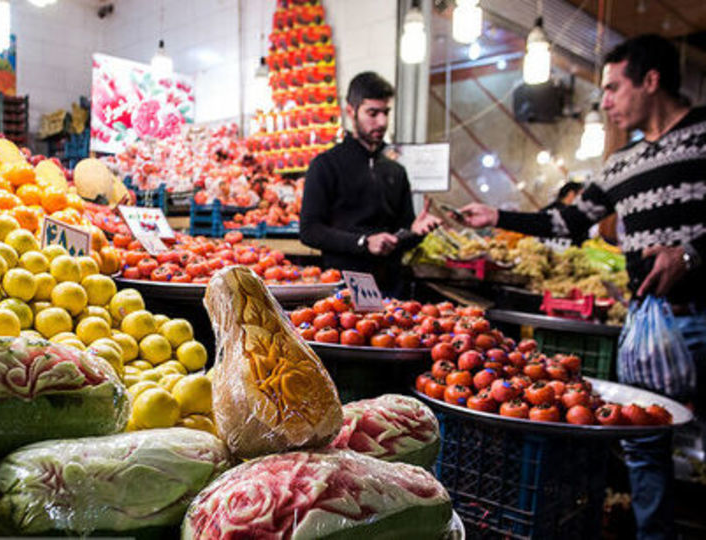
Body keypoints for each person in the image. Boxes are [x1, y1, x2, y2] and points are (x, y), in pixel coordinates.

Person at [455, 34, 706, 540]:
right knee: (644, 443)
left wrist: (691, 253)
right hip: (649, 324)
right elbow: (569, 222)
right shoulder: (623, 164)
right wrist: (496, 215)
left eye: (614, 88)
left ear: (651, 80)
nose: (606, 102)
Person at [299, 72, 441, 296]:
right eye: (372, 113)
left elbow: (398, 237)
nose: (382, 122)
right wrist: (363, 242)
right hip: (342, 292)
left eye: (386, 112)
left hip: (391, 290)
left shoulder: (396, 171)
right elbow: (310, 231)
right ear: (350, 111)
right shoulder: (325, 165)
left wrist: (415, 232)